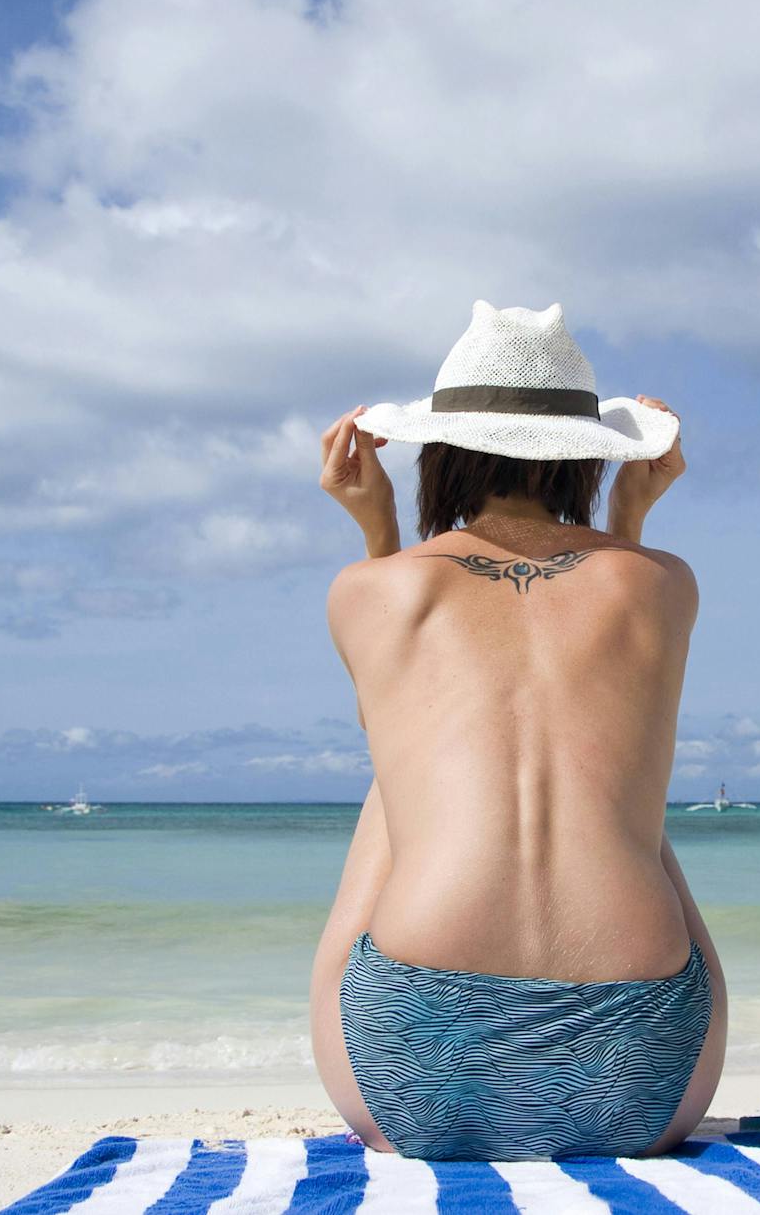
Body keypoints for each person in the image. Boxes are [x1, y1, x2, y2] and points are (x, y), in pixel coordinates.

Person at [306, 299, 727, 1161]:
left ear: (438, 454)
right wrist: (627, 526)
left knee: (402, 777)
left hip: (403, 1086)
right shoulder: (665, 585)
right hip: (651, 1087)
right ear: (588, 458)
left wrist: (379, 536)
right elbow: (607, 645)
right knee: (611, 786)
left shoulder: (366, 590)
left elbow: (399, 717)